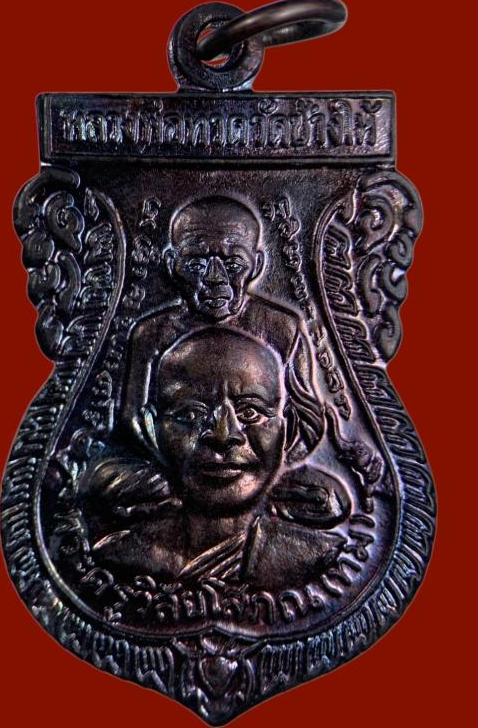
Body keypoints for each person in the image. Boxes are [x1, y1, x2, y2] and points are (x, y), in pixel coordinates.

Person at [81, 327, 350, 590]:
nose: (223, 436)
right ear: (151, 430)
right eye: (190, 414)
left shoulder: (311, 555)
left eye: (250, 412)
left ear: (288, 431)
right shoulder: (121, 555)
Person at [122, 195, 321, 461]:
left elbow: (308, 421)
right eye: (196, 264)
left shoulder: (281, 328)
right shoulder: (152, 334)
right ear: (171, 264)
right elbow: (134, 420)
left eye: (233, 264)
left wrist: (262, 469)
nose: (215, 278)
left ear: (257, 265)